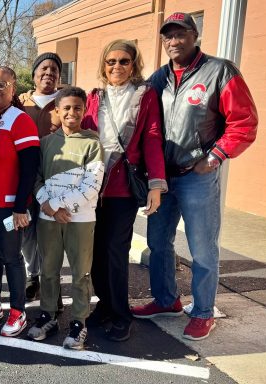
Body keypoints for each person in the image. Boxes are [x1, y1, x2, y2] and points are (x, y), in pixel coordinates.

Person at [131, 12, 258, 341]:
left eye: (180, 34)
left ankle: (203, 311)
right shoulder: (158, 78)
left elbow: (243, 121)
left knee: (202, 247)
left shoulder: (219, 71)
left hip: (196, 175)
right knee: (158, 243)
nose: (174, 41)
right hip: (162, 178)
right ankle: (166, 300)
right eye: (168, 37)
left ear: (194, 34)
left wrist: (215, 156)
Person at [81, 39, 167, 342]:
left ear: (134, 64)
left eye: (123, 61)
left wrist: (156, 183)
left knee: (115, 251)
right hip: (93, 186)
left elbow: (153, 139)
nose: (116, 66)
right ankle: (104, 305)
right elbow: (82, 133)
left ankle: (121, 314)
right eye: (111, 62)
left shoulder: (145, 96)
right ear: (104, 66)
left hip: (122, 187)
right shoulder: (95, 96)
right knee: (95, 254)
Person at [28, 86, 103, 350]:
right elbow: (36, 179)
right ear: (57, 111)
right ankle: (48, 315)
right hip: (48, 219)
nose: (72, 113)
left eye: (77, 108)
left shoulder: (92, 143)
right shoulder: (47, 143)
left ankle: (79, 322)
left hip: (80, 220)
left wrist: (58, 206)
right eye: (67, 108)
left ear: (85, 110)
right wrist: (47, 206)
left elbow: (92, 185)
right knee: (48, 270)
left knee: (81, 273)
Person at [0, 66, 40, 337]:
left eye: (1, 85)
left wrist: (20, 207)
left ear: (13, 89)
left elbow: (30, 166)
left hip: (7, 205)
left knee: (11, 258)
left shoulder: (20, 120)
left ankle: (18, 311)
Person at [18, 52, 63, 302]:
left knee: (49, 231)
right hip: (24, 177)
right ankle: (31, 275)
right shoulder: (20, 102)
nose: (48, 73)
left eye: (54, 69)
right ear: (34, 73)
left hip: (53, 178)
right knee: (27, 231)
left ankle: (49, 278)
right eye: (43, 68)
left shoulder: (64, 100)